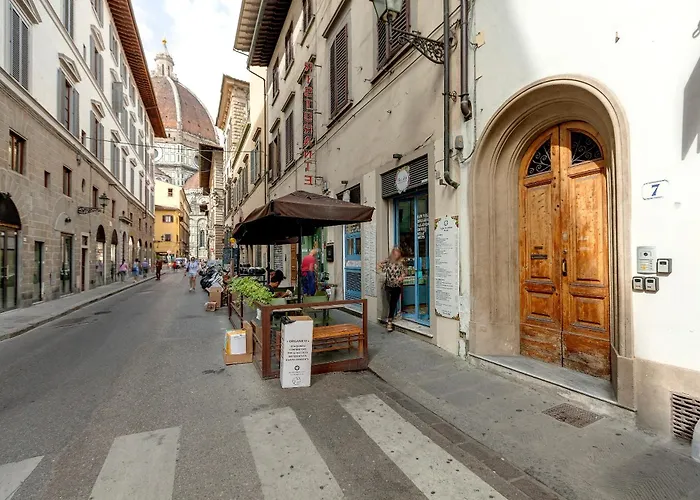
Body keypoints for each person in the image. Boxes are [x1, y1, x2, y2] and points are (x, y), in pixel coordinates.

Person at [378, 247, 407, 332]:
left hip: (396, 286)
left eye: (398, 253)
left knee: (393, 303)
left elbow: (405, 273)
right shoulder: (388, 261)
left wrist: (400, 278)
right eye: (395, 253)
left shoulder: (401, 262)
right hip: (388, 285)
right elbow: (379, 265)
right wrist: (381, 269)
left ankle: (389, 322)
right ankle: (390, 317)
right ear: (392, 253)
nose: (396, 255)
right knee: (388, 303)